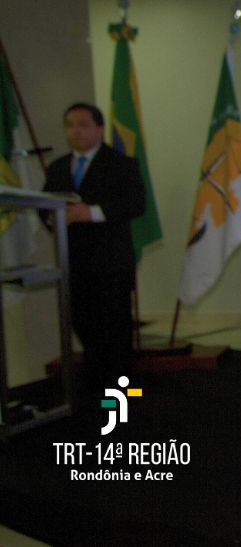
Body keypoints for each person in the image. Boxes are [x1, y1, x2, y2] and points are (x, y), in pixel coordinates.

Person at [43, 102, 145, 386]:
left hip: (110, 263)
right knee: (84, 325)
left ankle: (123, 396)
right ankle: (99, 388)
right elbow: (43, 205)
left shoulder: (121, 164)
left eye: (83, 124)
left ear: (100, 129)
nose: (75, 131)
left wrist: (90, 213)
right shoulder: (58, 167)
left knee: (115, 330)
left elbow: (136, 204)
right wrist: (55, 219)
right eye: (70, 125)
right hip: (73, 262)